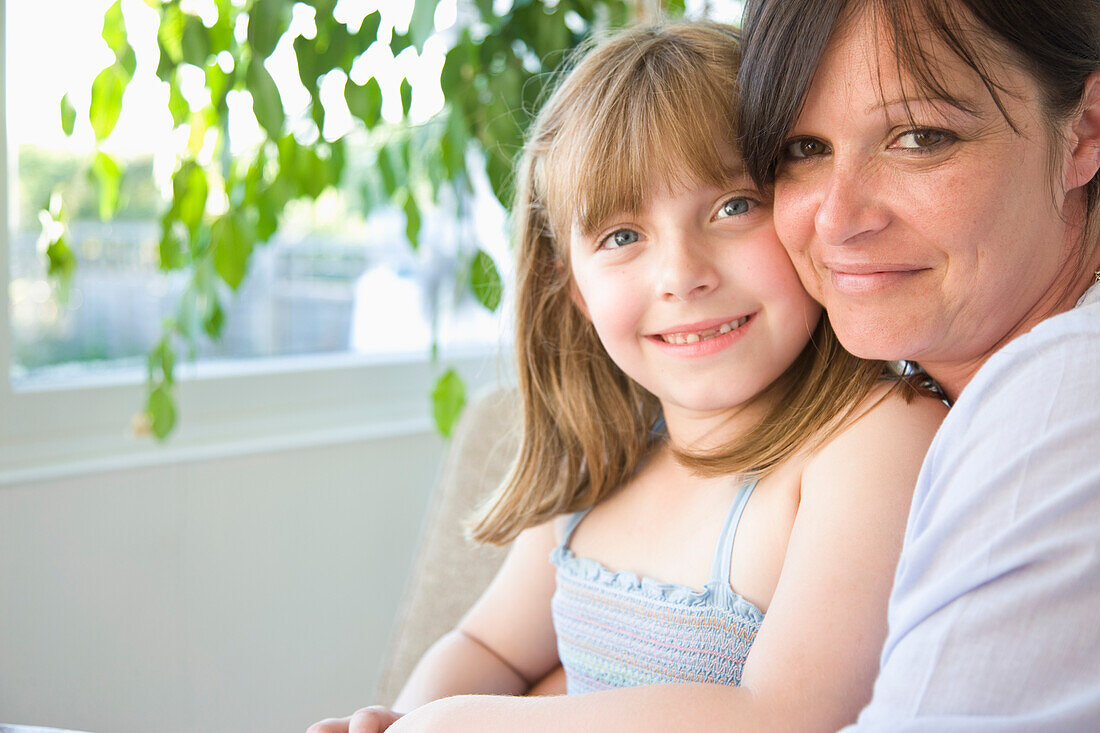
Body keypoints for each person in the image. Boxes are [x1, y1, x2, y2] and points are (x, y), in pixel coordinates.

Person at [308, 21, 946, 733]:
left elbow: (784, 715)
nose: (682, 275)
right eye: (622, 236)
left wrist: (459, 725)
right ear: (573, 289)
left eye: (733, 206)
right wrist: (401, 718)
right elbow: (487, 645)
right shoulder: (602, 465)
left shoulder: (874, 439)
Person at [733, 0, 1100, 729]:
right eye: (803, 149)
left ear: (1084, 131)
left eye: (921, 137)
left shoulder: (1065, 392)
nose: (837, 219)